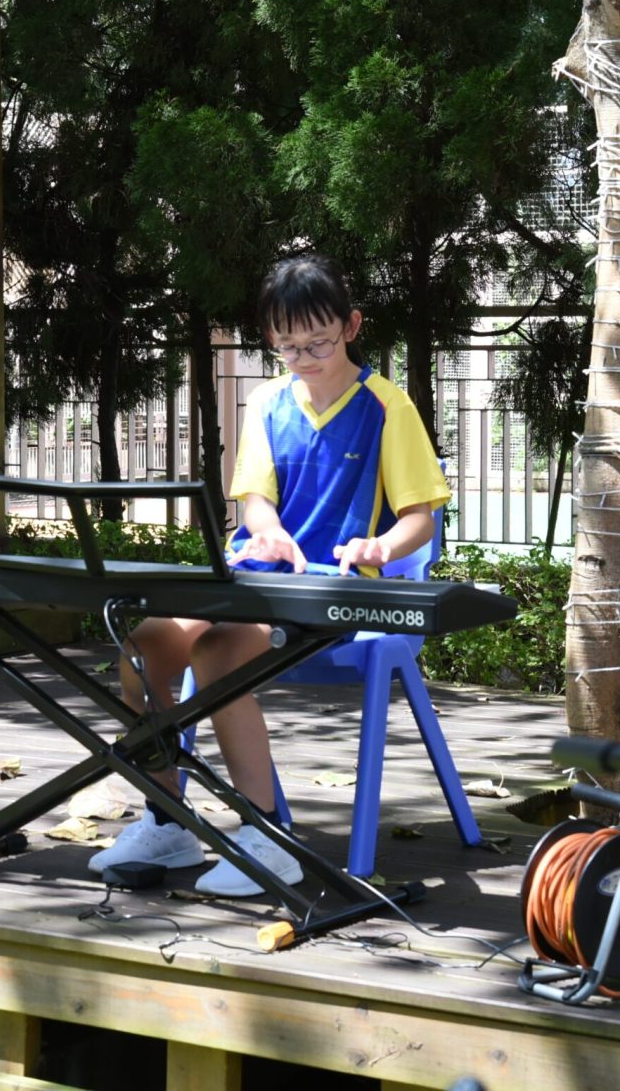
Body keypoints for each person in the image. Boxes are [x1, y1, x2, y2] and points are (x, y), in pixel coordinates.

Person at [89, 255, 451, 895]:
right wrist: (267, 530)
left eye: (319, 342)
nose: (304, 357)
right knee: (143, 649)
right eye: (288, 346)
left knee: (219, 652)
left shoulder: (388, 407)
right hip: (257, 578)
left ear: (351, 326)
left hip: (336, 590)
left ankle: (267, 837)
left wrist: (379, 545)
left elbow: (419, 520)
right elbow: (255, 501)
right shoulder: (265, 402)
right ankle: (167, 819)